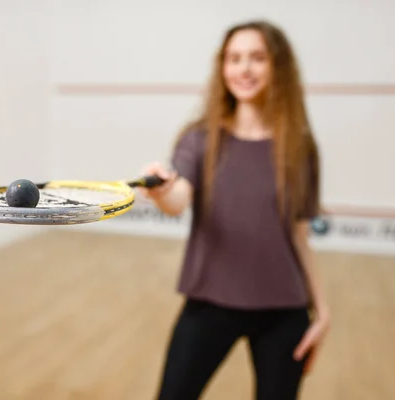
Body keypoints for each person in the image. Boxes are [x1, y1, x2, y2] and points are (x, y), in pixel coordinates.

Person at [140, 20, 331, 400]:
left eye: (257, 58)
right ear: (222, 67)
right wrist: (161, 191)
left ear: (278, 66)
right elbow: (179, 198)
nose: (244, 69)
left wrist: (322, 311)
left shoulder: (300, 147)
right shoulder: (199, 139)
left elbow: (299, 235)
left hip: (284, 312)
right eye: (234, 58)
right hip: (208, 304)